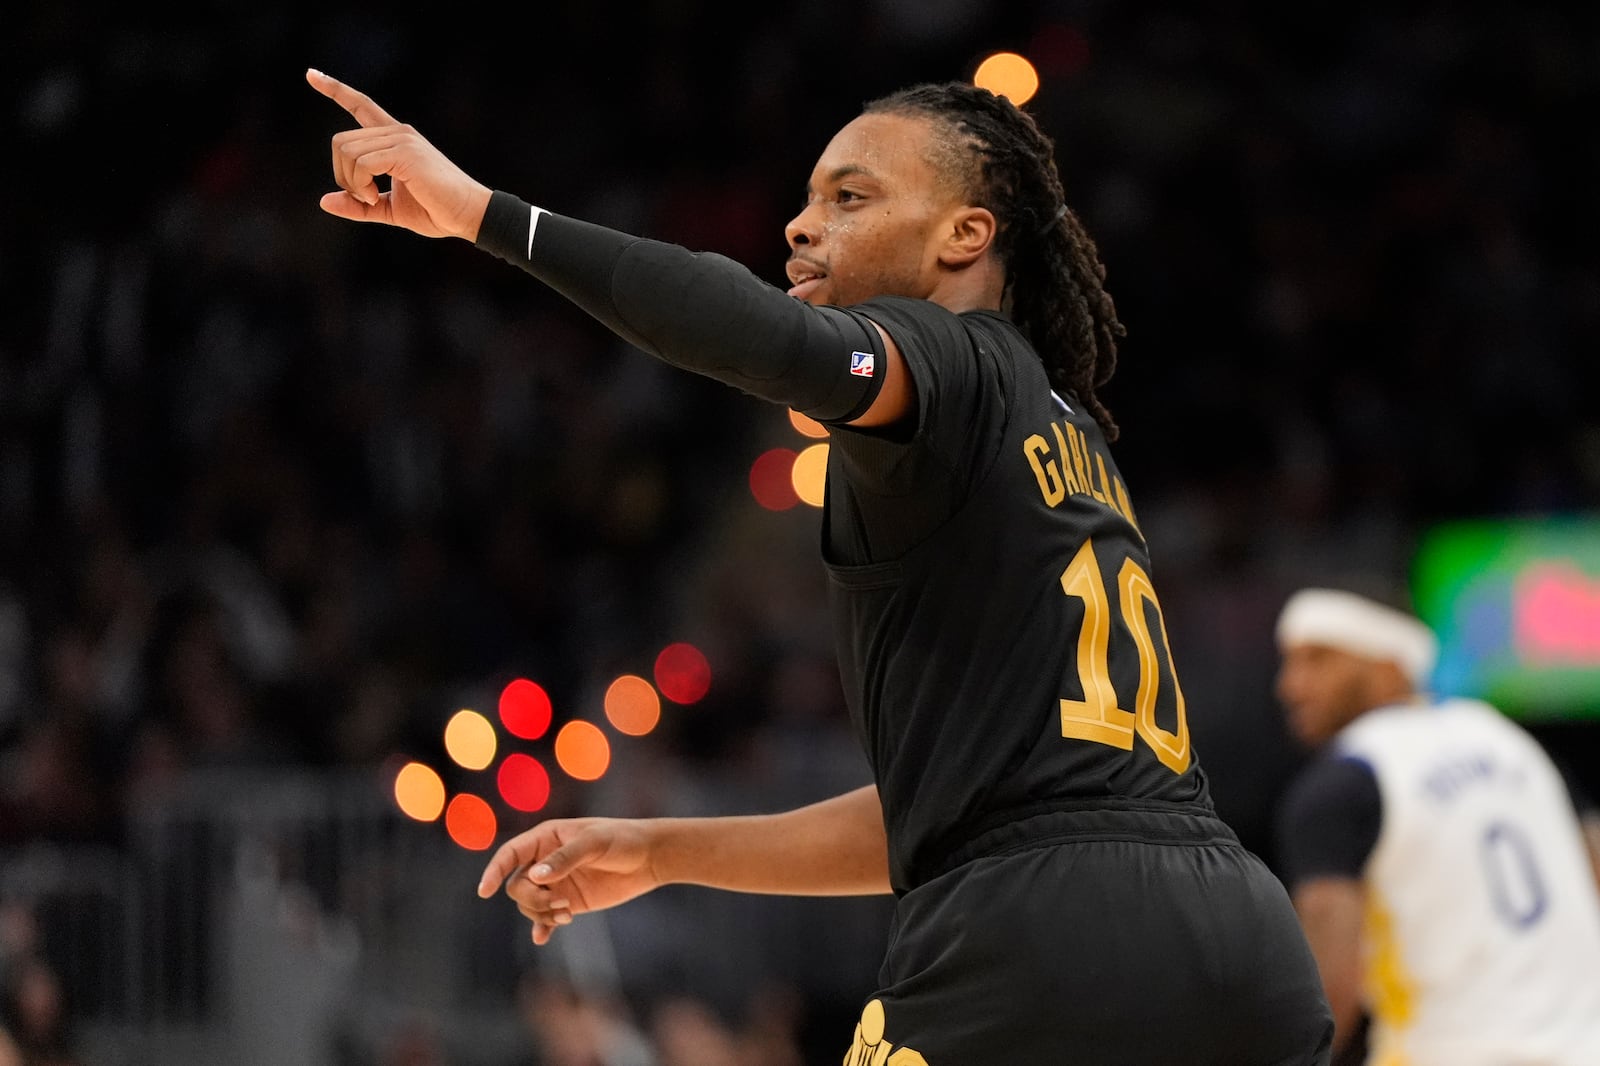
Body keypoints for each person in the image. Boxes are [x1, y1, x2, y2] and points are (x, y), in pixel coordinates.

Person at [308, 67, 1333, 1063]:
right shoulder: (1060, 441)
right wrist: (662, 852)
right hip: (1230, 933)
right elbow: (944, 812)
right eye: (805, 201)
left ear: (965, 233)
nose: (802, 227)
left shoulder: (951, 357)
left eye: (850, 197)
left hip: (1040, 936)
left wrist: (487, 214)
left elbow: (751, 327)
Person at [1273, 587, 1600, 1065]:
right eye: (1289, 663)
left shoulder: (1344, 780)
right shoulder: (1516, 742)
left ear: (1391, 665)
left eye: (1319, 660)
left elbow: (1328, 988)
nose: (1291, 686)